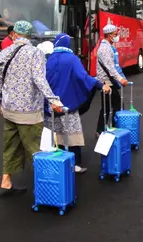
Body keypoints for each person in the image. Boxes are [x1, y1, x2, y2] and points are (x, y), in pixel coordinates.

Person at [0, 21, 63, 197]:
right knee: (36, 150)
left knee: (10, 145)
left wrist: (0, 102)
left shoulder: (3, 54)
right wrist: (53, 100)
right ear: (30, 36)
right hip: (29, 112)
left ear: (14, 34)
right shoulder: (35, 53)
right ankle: (48, 190)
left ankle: (5, 182)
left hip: (8, 109)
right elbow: (39, 79)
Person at [45, 34, 111, 173]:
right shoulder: (72, 59)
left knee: (54, 134)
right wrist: (100, 85)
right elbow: (83, 77)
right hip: (68, 104)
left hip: (50, 105)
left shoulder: (48, 58)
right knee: (71, 134)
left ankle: (55, 165)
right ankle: (74, 165)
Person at [95, 23, 128, 135]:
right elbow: (110, 68)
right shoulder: (104, 49)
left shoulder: (108, 47)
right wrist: (120, 79)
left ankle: (106, 129)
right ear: (109, 35)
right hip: (106, 82)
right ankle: (104, 130)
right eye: (115, 34)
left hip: (108, 81)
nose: (117, 35)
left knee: (112, 106)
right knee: (110, 106)